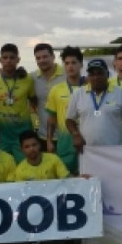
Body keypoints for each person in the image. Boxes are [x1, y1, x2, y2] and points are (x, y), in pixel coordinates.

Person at [65, 59, 122, 154]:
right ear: (88, 76)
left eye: (100, 73)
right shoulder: (78, 94)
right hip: (87, 151)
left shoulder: (120, 93)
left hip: (114, 151)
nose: (96, 77)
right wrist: (75, 134)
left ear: (107, 74)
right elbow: (69, 119)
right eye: (92, 74)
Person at [0, 43, 36, 162]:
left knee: (23, 165)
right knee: (2, 165)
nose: (8, 61)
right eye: (5, 58)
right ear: (0, 60)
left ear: (18, 60)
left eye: (12, 57)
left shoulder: (27, 79)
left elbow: (34, 101)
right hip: (2, 134)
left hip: (22, 133)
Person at [45, 46, 85, 174]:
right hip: (65, 144)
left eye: (74, 63)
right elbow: (51, 118)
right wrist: (49, 141)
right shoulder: (56, 90)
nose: (70, 66)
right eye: (67, 63)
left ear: (81, 65)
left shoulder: (90, 87)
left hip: (87, 142)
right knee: (67, 179)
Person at [32, 43, 65, 150]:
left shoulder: (66, 74)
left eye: (45, 56)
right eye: (38, 58)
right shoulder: (32, 77)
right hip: (43, 135)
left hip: (66, 135)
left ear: (53, 57)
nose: (42, 60)